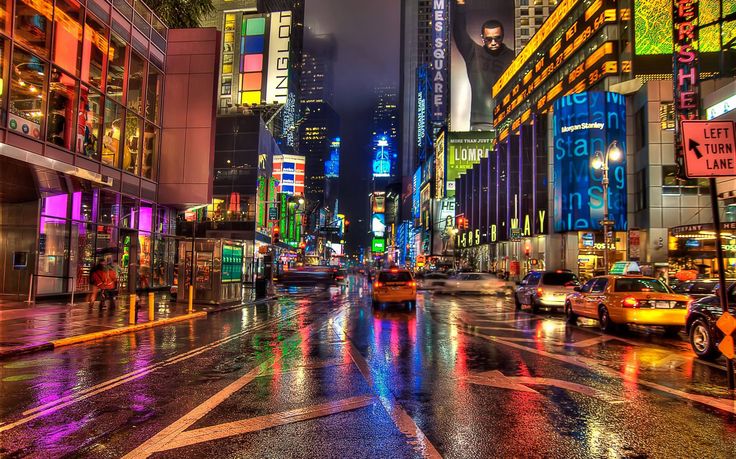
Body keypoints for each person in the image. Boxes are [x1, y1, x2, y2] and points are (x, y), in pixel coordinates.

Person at [453, 0, 514, 131]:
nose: (493, 42)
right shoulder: (473, 53)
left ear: (502, 36)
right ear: (482, 38)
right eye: (489, 39)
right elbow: (459, 32)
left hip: (507, 118)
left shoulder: (512, 57)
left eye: (497, 38)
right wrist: (460, 5)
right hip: (479, 122)